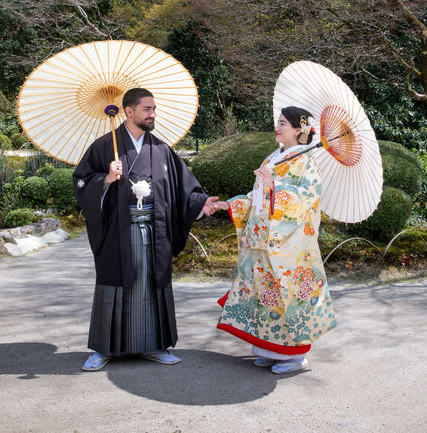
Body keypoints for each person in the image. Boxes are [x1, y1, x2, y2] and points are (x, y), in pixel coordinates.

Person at [73, 87, 223, 371]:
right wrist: (106, 179)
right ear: (128, 111)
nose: (153, 114)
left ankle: (154, 345)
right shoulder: (104, 146)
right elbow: (81, 182)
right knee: (114, 284)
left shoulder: (161, 150)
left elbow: (183, 188)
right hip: (118, 231)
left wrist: (201, 203)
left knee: (152, 284)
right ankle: (105, 349)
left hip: (154, 230)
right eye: (147, 109)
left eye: (154, 109)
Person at [212, 106, 337, 374]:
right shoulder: (273, 157)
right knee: (265, 296)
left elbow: (308, 199)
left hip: (287, 246)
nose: (277, 127)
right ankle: (270, 350)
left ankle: (293, 356)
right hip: (261, 241)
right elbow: (257, 197)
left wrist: (276, 188)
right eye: (277, 122)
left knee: (286, 297)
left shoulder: (306, 163)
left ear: (298, 130)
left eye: (283, 123)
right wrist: (233, 205)